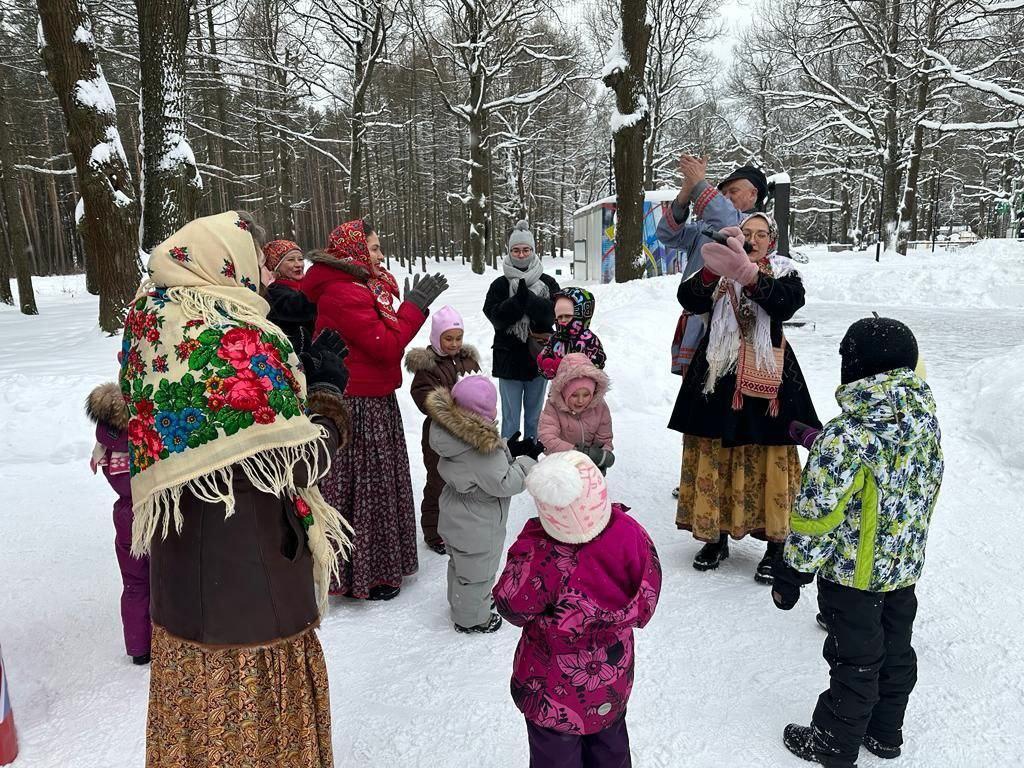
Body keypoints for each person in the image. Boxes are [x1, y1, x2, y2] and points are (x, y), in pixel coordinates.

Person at [121, 210, 353, 768]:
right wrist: (324, 394)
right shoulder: (236, 338)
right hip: (253, 577)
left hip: (182, 573)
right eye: (254, 264)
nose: (267, 281)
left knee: (201, 716)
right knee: (258, 724)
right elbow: (293, 461)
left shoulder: (150, 328)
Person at [772, 318, 944, 768]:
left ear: (855, 369)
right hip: (902, 570)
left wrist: (793, 572)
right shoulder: (924, 423)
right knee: (896, 651)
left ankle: (834, 742)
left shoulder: (846, 436)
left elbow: (816, 518)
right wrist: (819, 440)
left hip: (852, 578)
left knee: (856, 660)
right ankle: (886, 733)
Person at [302, 219, 449, 600]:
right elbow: (385, 344)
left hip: (374, 397)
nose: (381, 255)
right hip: (359, 403)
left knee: (375, 486)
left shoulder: (359, 286)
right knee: (366, 488)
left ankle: (373, 567)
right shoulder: (340, 293)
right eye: (373, 248)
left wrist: (403, 304)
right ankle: (366, 574)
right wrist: (414, 309)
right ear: (352, 251)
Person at [672, 213, 820, 582]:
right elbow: (688, 299)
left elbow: (785, 304)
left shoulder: (785, 272)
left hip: (766, 377)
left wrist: (749, 275)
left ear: (772, 240)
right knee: (714, 450)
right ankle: (715, 536)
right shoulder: (718, 269)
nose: (753, 240)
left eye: (761, 234)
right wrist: (711, 270)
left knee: (770, 457)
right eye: (746, 234)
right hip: (717, 376)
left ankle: (775, 545)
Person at [493, 451, 662, 768]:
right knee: (610, 748)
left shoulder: (541, 553)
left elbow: (510, 604)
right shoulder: (630, 533)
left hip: (551, 689)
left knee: (555, 758)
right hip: (611, 679)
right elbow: (648, 593)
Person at [425, 376, 541, 633]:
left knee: (460, 565)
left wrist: (508, 449)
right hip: (478, 523)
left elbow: (482, 469)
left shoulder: (451, 434)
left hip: (455, 514)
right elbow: (505, 481)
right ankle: (472, 619)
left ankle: (461, 602)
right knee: (478, 574)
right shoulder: (480, 447)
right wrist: (527, 460)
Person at [405, 306, 482, 555]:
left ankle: (461, 523)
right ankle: (433, 530)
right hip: (439, 434)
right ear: (437, 337)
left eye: (458, 338)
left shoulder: (466, 360)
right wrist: (448, 403)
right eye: (448, 338)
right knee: (438, 480)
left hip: (466, 431)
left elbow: (479, 387)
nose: (454, 343)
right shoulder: (428, 366)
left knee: (465, 479)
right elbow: (421, 395)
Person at [86, 383, 152, 665]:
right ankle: (171, 642)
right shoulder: (147, 438)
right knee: (167, 579)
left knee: (135, 583)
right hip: (154, 510)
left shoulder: (106, 444)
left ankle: (139, 648)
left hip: (125, 515)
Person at [483, 220, 560, 441]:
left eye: (526, 249)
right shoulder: (499, 284)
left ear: (534, 251)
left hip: (539, 360)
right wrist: (517, 301)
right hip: (508, 362)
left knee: (535, 417)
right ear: (509, 251)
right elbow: (495, 318)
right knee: (510, 419)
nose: (521, 254)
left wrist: (531, 301)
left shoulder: (547, 282)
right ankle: (508, 461)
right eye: (516, 250)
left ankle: (532, 459)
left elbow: (553, 315)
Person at [538, 353, 614, 474]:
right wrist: (578, 452)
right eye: (574, 395)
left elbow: (604, 438)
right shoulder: (553, 407)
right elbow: (546, 439)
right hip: (560, 467)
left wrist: (603, 455)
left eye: (586, 395)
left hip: (590, 469)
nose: (580, 400)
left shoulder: (599, 407)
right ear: (564, 391)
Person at [536, 288, 606, 379]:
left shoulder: (589, 339)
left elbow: (597, 365)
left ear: (580, 315)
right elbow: (544, 359)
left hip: (583, 390)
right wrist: (547, 366)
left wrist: (567, 367)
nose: (563, 320)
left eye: (568, 316)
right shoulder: (555, 338)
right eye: (560, 317)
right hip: (559, 390)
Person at [262, 239, 316, 355]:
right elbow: (300, 308)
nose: (298, 264)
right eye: (291, 260)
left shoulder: (303, 286)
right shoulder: (274, 293)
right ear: (276, 266)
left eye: (300, 259)